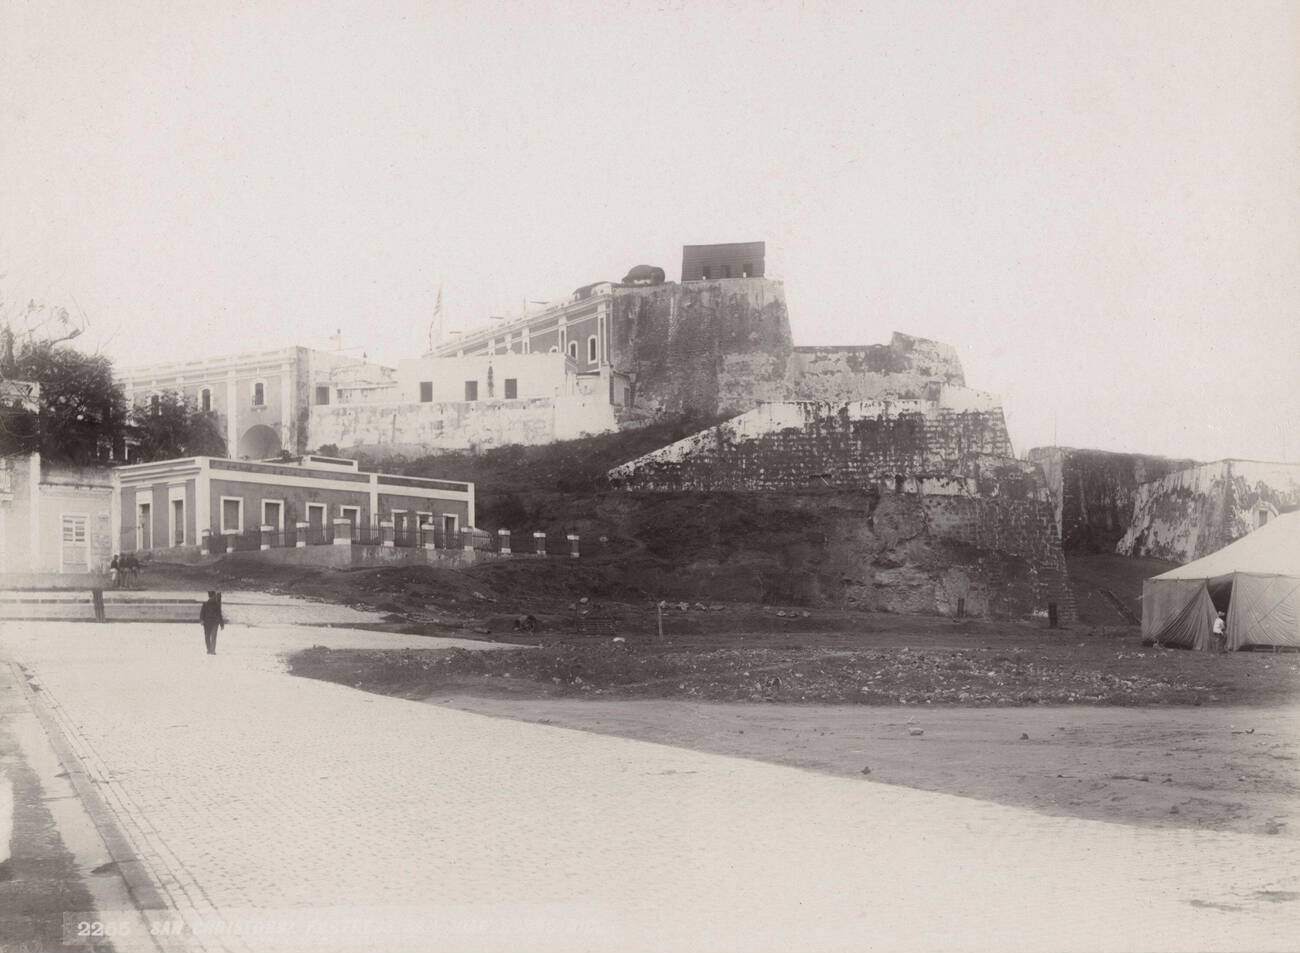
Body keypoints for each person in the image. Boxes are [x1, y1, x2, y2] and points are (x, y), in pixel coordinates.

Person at [200, 591, 225, 655]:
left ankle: (211, 650)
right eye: (214, 596)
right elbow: (202, 613)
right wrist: (202, 620)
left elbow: (219, 615)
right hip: (211, 623)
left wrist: (202, 620)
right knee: (210, 637)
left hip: (210, 623)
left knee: (209, 636)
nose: (214, 598)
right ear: (213, 596)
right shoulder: (212, 604)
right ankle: (210, 650)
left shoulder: (207, 604)